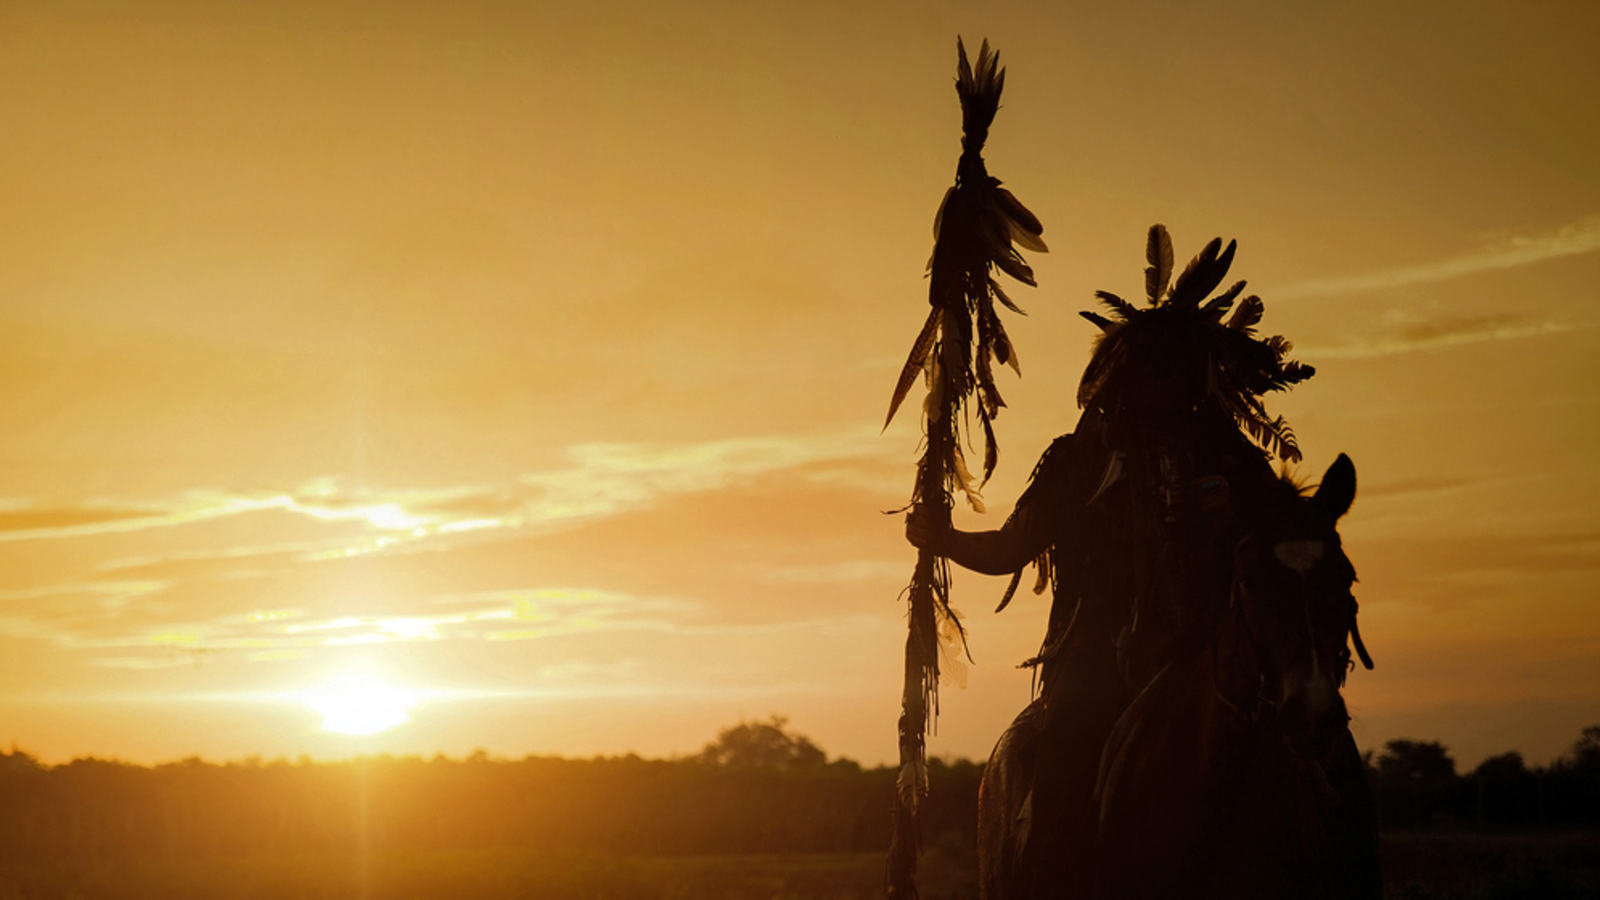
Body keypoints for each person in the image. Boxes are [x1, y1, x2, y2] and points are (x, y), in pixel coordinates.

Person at [907, 227, 1317, 897]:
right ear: (1121, 379)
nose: (1161, 389)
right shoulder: (1080, 460)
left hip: (1214, 655)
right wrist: (944, 538)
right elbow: (1014, 545)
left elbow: (1283, 535)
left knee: (1312, 764)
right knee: (1067, 754)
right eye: (1148, 372)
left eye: (1174, 372)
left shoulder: (1230, 459)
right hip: (1098, 658)